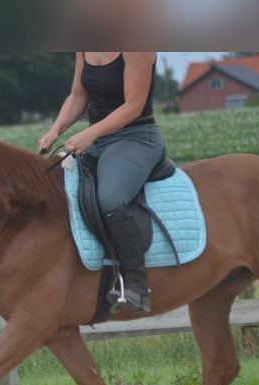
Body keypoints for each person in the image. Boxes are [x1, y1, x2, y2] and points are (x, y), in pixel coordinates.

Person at [39, 52, 166, 314]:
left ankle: (136, 286)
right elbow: (78, 96)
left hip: (136, 138)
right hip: (97, 141)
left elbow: (134, 105)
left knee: (109, 199)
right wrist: (55, 130)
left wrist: (90, 133)